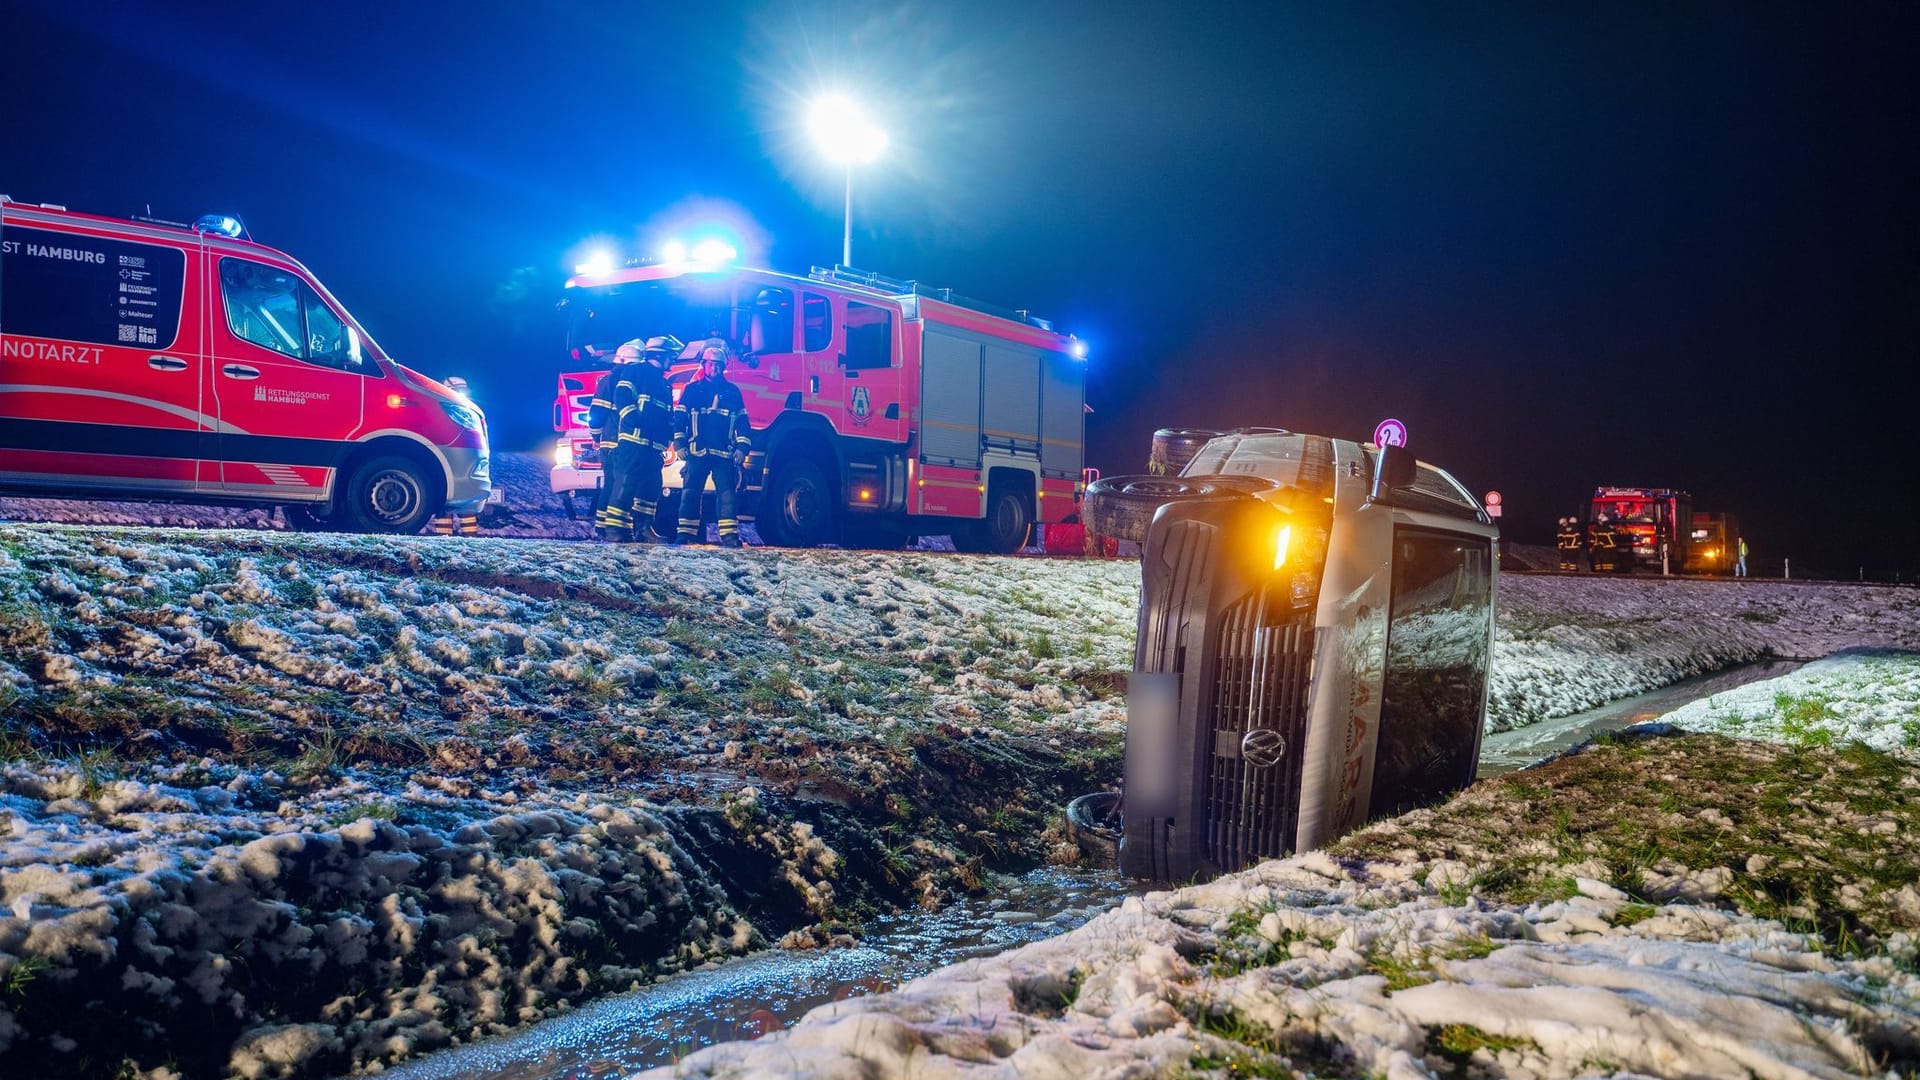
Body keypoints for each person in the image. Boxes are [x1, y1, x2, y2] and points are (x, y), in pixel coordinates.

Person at [592, 336, 682, 542]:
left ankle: (644, 529)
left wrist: (670, 432)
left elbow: (667, 413)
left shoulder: (663, 383)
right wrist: (632, 417)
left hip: (654, 446)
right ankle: (615, 530)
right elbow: (622, 395)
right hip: (634, 440)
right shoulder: (635, 371)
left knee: (651, 487)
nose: (673, 361)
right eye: (671, 357)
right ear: (659, 355)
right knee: (625, 484)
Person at [672, 338, 753, 547]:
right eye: (710, 364)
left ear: (723, 367)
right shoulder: (691, 390)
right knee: (690, 494)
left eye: (718, 365)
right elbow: (679, 420)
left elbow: (743, 423)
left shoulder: (732, 392)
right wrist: (679, 445)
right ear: (704, 365)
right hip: (696, 452)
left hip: (723, 454)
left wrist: (742, 448)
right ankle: (685, 535)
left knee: (727, 496)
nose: (714, 368)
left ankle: (729, 536)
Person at [430, 377, 481, 536]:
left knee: (467, 503)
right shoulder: (442, 407)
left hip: (463, 459)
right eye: (460, 390)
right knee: (445, 504)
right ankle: (444, 541)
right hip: (448, 459)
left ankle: (471, 540)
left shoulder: (467, 409)